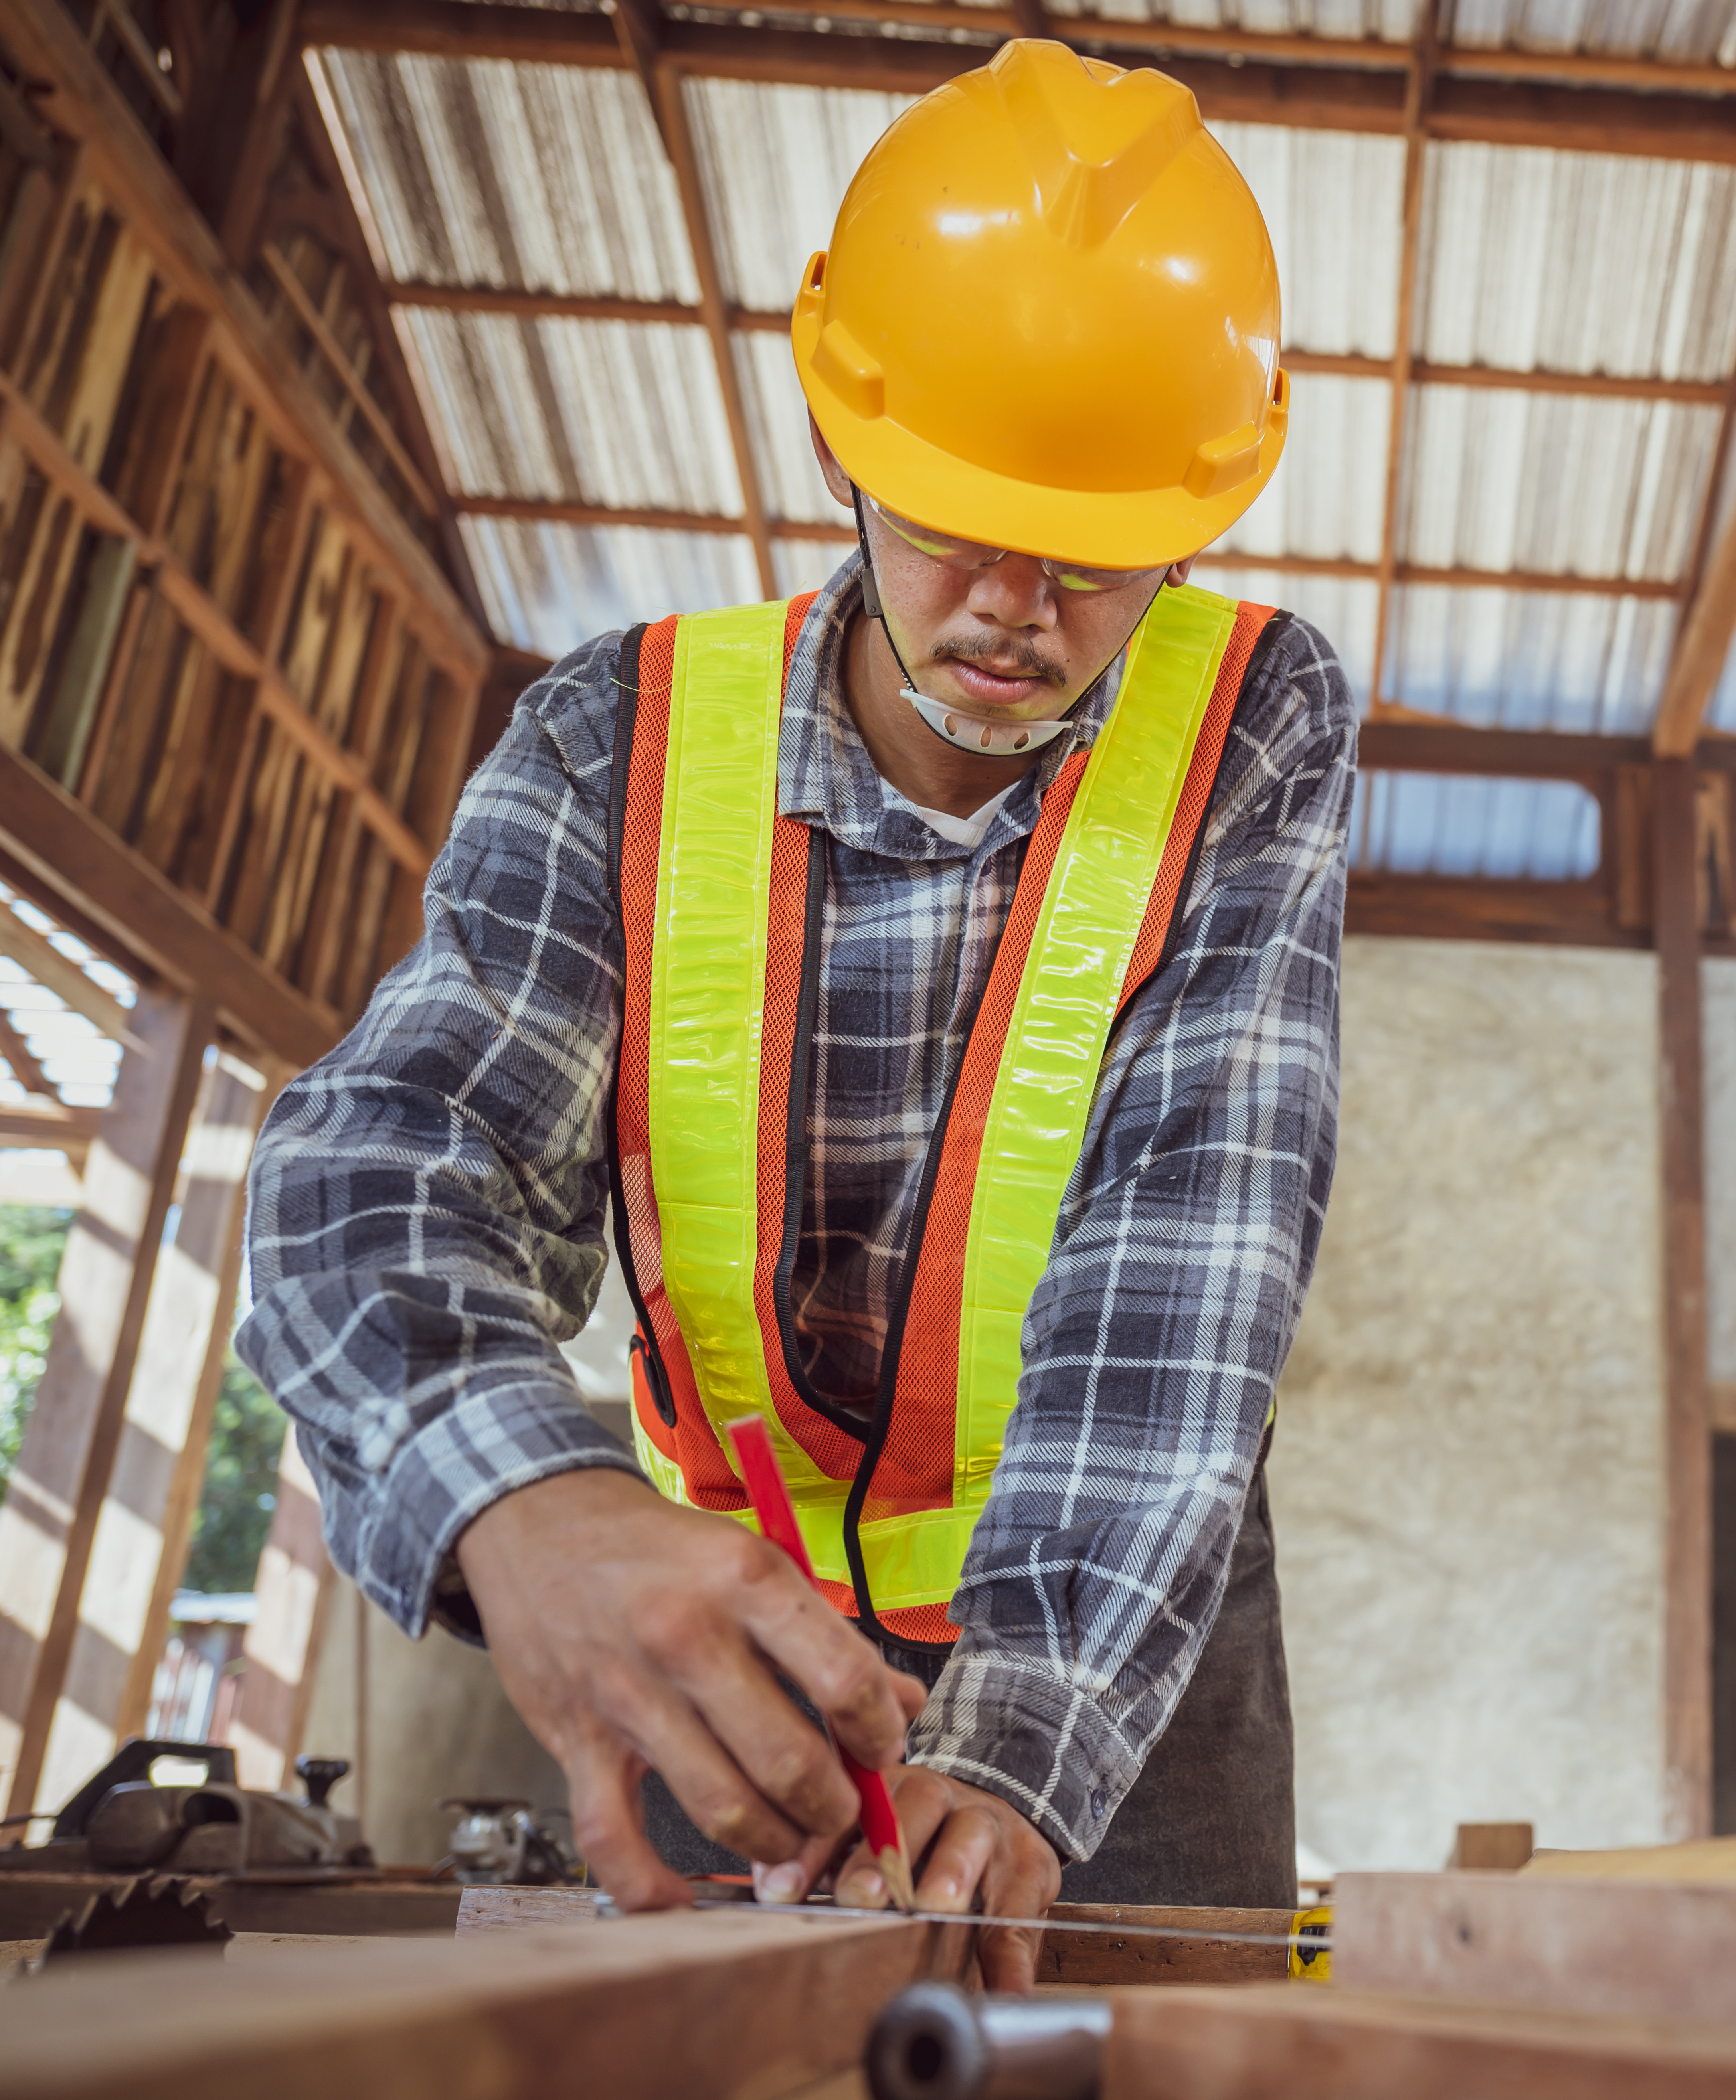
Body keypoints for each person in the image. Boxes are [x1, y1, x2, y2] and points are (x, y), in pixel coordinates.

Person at [235, 40, 1348, 1993]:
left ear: (1193, 520)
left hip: (1116, 1628)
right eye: (950, 519)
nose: (1016, 607)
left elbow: (1194, 1240)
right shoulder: (614, 745)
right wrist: (527, 1492)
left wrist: (1020, 1737)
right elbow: (381, 1162)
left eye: (1091, 550)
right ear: (847, 447)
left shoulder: (1253, 726)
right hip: (716, 1632)